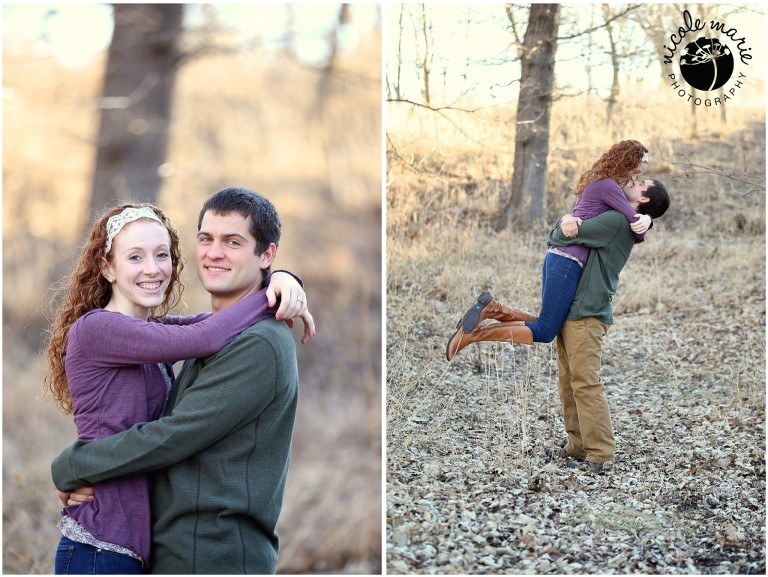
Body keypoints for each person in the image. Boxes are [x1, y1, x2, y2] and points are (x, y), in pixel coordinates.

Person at [49, 188, 313, 573]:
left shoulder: (245, 344)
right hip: (107, 541)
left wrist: (283, 282)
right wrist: (271, 290)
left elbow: (206, 333)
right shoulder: (102, 329)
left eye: (161, 255)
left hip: (193, 551)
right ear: (107, 266)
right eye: (206, 239)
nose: (152, 268)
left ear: (265, 254)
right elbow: (205, 336)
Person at [446, 140, 653, 360]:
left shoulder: (601, 182)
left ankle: (493, 309)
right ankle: (472, 335)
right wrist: (649, 220)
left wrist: (647, 217)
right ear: (624, 162)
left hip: (559, 258)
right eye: (634, 172)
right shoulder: (609, 186)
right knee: (545, 331)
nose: (633, 178)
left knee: (546, 323)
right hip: (568, 261)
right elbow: (636, 227)